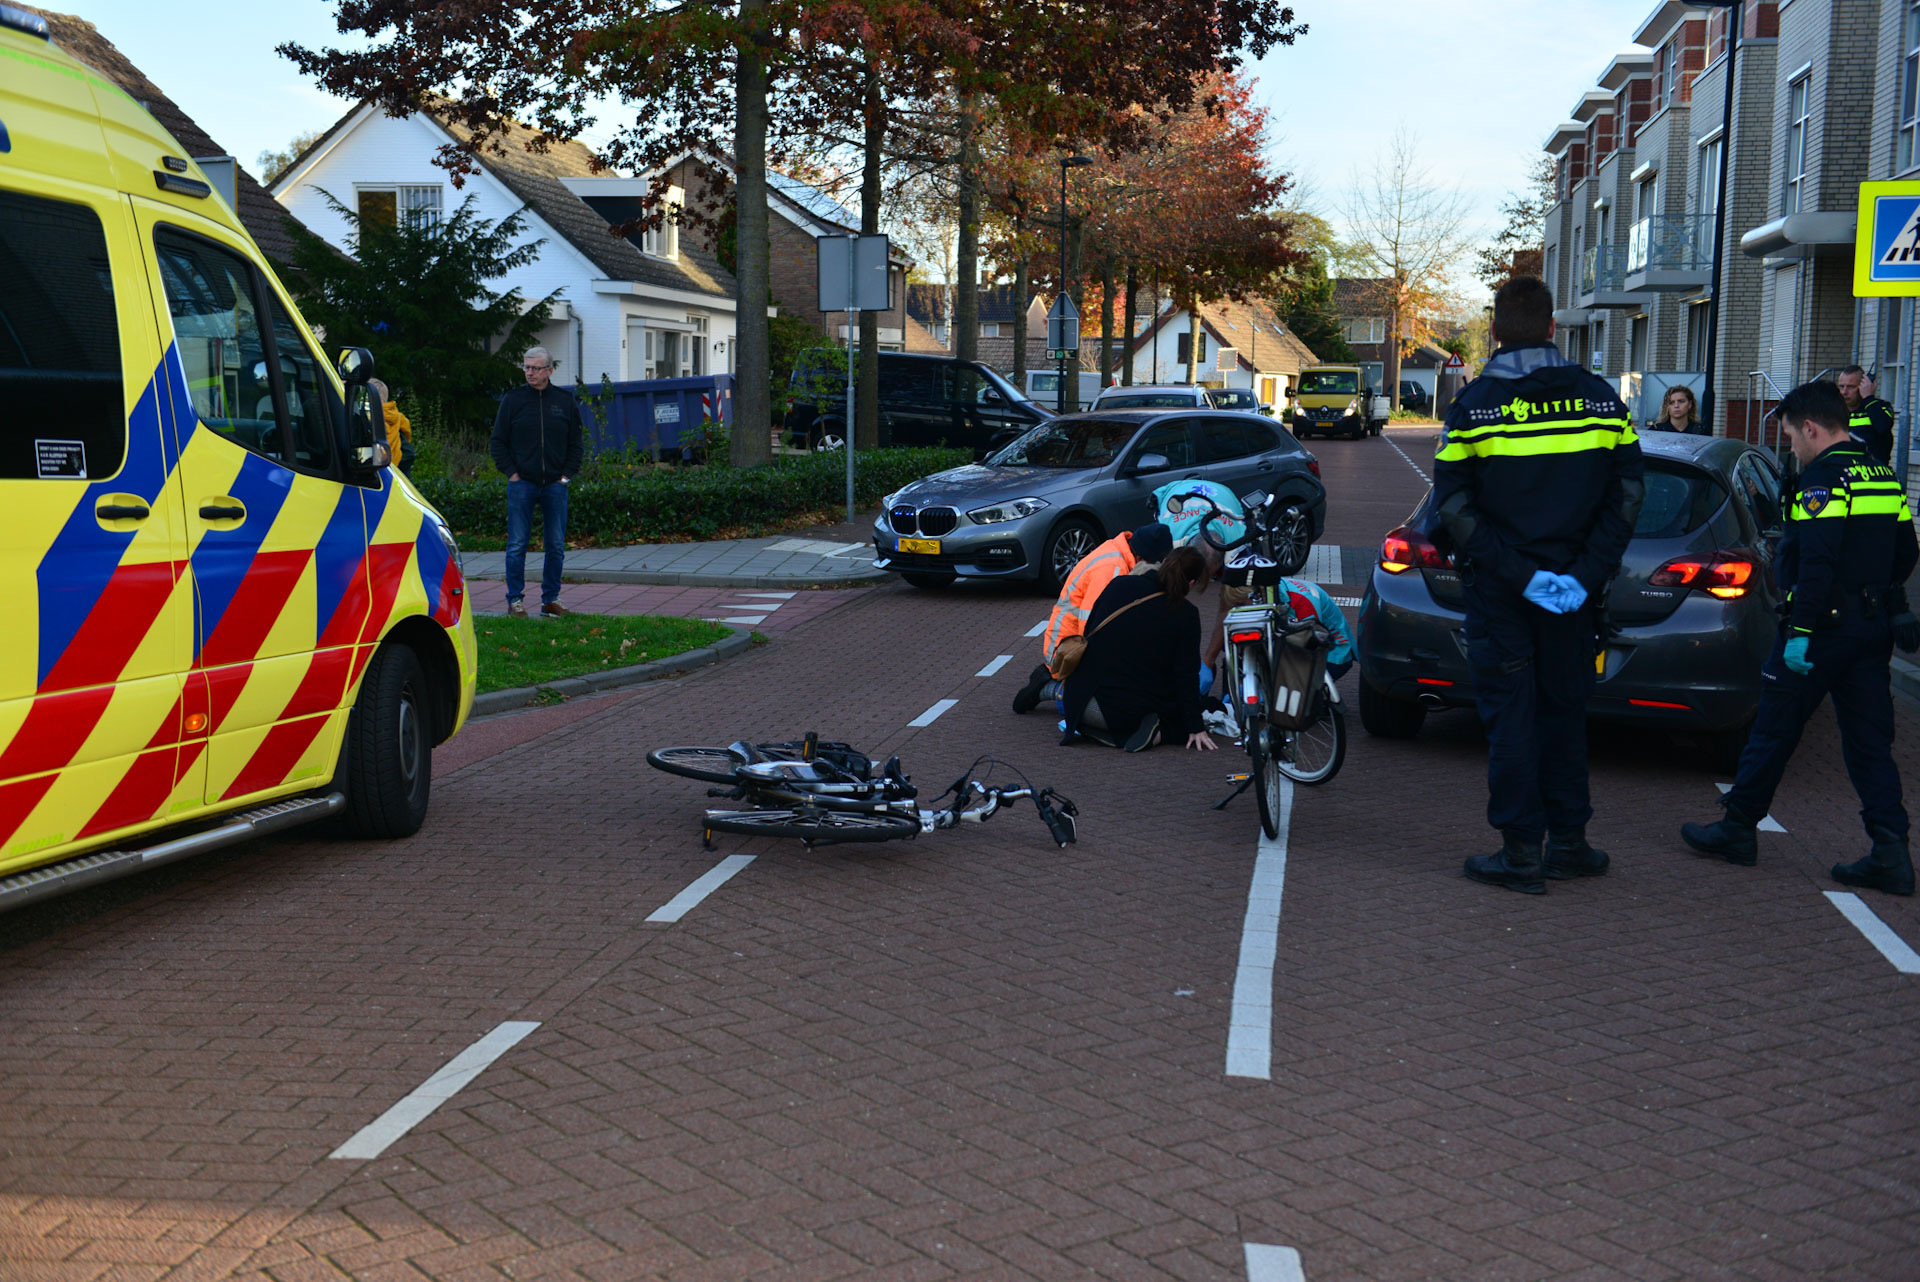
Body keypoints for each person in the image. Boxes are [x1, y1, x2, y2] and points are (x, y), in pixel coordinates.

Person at [1431, 275, 1645, 894]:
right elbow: (1628, 496)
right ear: (1555, 328)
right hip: (1574, 595)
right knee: (1564, 712)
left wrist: (1524, 577)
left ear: (1495, 331)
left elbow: (1454, 509)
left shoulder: (1475, 407)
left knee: (1511, 718)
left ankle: (1522, 852)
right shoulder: (1601, 399)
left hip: (1503, 592)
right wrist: (1579, 576)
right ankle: (1570, 844)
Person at [1681, 380, 1919, 893]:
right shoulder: (1882, 476)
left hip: (1820, 630)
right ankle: (1891, 853)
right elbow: (1906, 552)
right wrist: (1883, 597)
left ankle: (1738, 829)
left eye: (1791, 437)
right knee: (1870, 744)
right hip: (1869, 629)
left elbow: (1815, 563)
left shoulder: (1823, 482)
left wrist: (1801, 633)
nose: (1792, 447)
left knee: (1773, 729)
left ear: (1811, 428)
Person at [1060, 547, 1218, 752]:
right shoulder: (1185, 614)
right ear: (1191, 583)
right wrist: (1196, 727)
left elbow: (1091, 631)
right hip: (1119, 712)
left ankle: (1056, 696)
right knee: (1185, 720)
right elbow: (1185, 676)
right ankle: (1155, 734)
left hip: (1077, 703)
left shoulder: (1119, 584)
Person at [1016, 522, 1175, 713]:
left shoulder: (1121, 555)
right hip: (1066, 649)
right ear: (1142, 558)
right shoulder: (1112, 570)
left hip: (1073, 642)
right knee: (1111, 694)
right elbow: (1093, 628)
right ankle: (1050, 687)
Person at [489, 347, 584, 620]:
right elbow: (498, 442)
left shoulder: (564, 401)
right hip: (522, 484)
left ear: (549, 370)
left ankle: (550, 600)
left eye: (536, 368)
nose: (530, 372)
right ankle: (515, 601)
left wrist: (566, 476)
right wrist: (512, 474)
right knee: (517, 544)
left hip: (555, 484)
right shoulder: (513, 400)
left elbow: (576, 444)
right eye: (526, 367)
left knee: (555, 544)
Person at [1837, 365, 1895, 465]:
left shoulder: (1880, 407)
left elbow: (1883, 426)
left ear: (1863, 386)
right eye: (1841, 386)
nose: (1844, 392)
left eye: (1851, 387)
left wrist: (1868, 398)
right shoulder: (1835, 411)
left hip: (1874, 473)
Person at [368, 378, 414, 476]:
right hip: (394, 472)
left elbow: (409, 454)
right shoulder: (396, 417)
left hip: (386, 472)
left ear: (381, 401)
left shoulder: (375, 417)